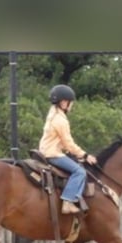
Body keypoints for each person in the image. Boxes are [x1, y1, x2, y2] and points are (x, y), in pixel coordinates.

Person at [38, 84, 98, 214]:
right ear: (64, 102)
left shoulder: (52, 116)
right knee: (80, 172)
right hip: (53, 154)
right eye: (70, 102)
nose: (71, 105)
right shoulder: (60, 120)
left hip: (46, 151)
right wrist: (86, 155)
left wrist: (76, 154)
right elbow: (69, 144)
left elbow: (64, 145)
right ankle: (68, 201)